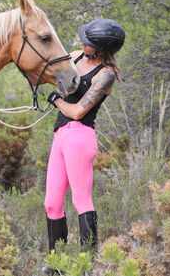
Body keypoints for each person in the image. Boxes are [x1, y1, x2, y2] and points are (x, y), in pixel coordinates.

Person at [42, 19, 125, 271]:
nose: (81, 43)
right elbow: (53, 71)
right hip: (60, 135)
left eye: (87, 42)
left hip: (80, 136)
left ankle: (85, 266)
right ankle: (56, 265)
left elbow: (78, 111)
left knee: (81, 200)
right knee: (52, 203)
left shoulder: (106, 76)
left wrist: (56, 100)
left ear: (100, 49)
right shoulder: (76, 57)